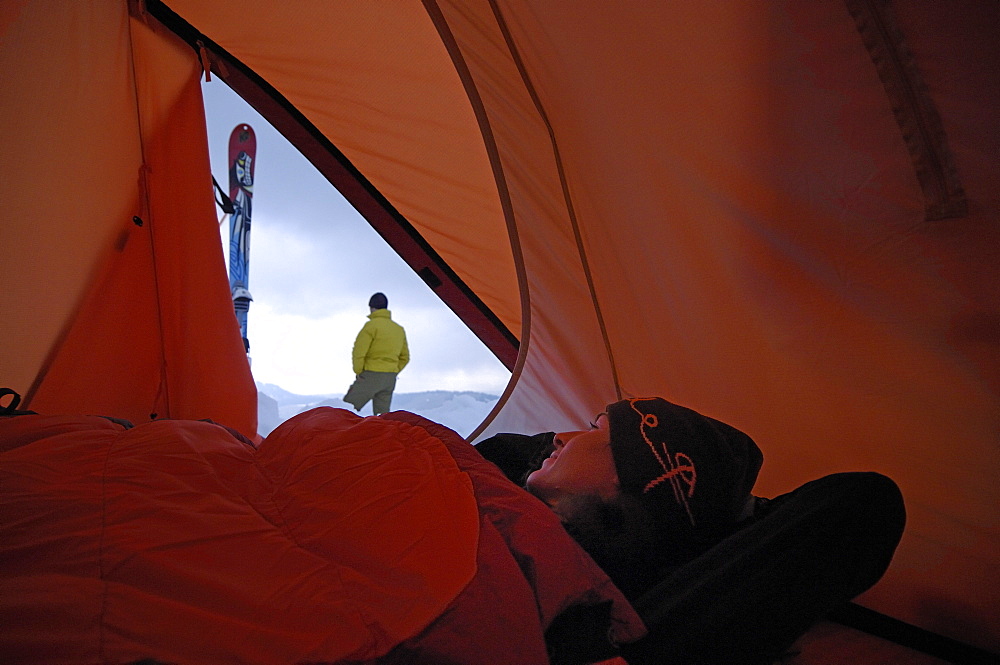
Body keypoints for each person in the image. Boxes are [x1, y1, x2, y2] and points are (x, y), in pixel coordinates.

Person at [476, 396, 906, 665]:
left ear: (632, 475)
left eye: (596, 428)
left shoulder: (640, 607)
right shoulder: (490, 480)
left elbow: (859, 503)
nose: (558, 437)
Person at [342, 292, 409, 415]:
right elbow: (405, 357)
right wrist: (393, 370)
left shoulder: (371, 326)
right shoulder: (399, 329)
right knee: (382, 417)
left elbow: (359, 351)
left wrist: (359, 371)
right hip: (390, 378)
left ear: (372, 307)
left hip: (370, 375)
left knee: (345, 410)